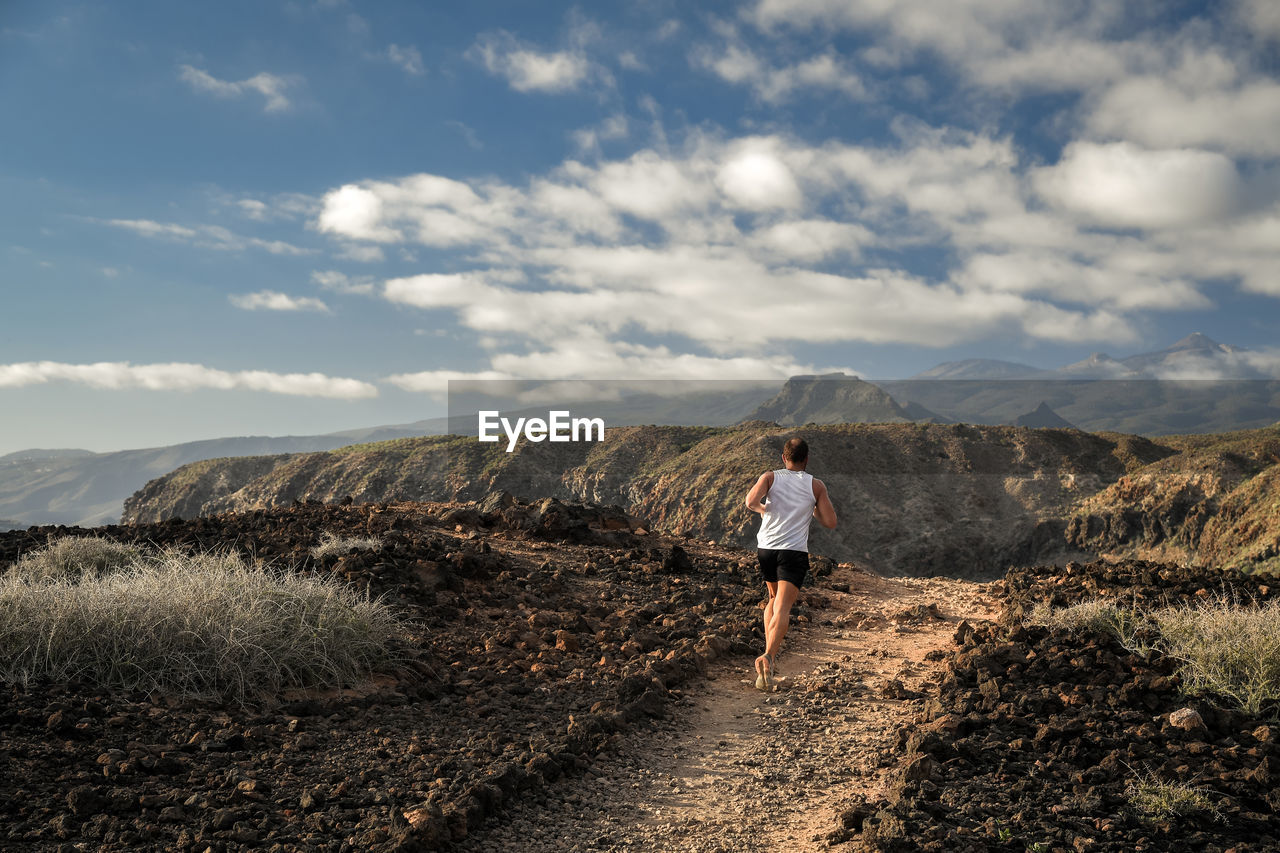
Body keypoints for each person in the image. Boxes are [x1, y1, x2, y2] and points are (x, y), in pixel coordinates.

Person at [743, 436, 837, 691]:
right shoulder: (815, 486)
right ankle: (769, 657)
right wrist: (813, 507)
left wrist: (766, 512)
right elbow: (830, 522)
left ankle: (767, 654)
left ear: (783, 458)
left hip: (766, 549)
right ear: (806, 459)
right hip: (793, 552)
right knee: (783, 607)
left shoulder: (770, 477)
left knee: (772, 600)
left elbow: (750, 502)